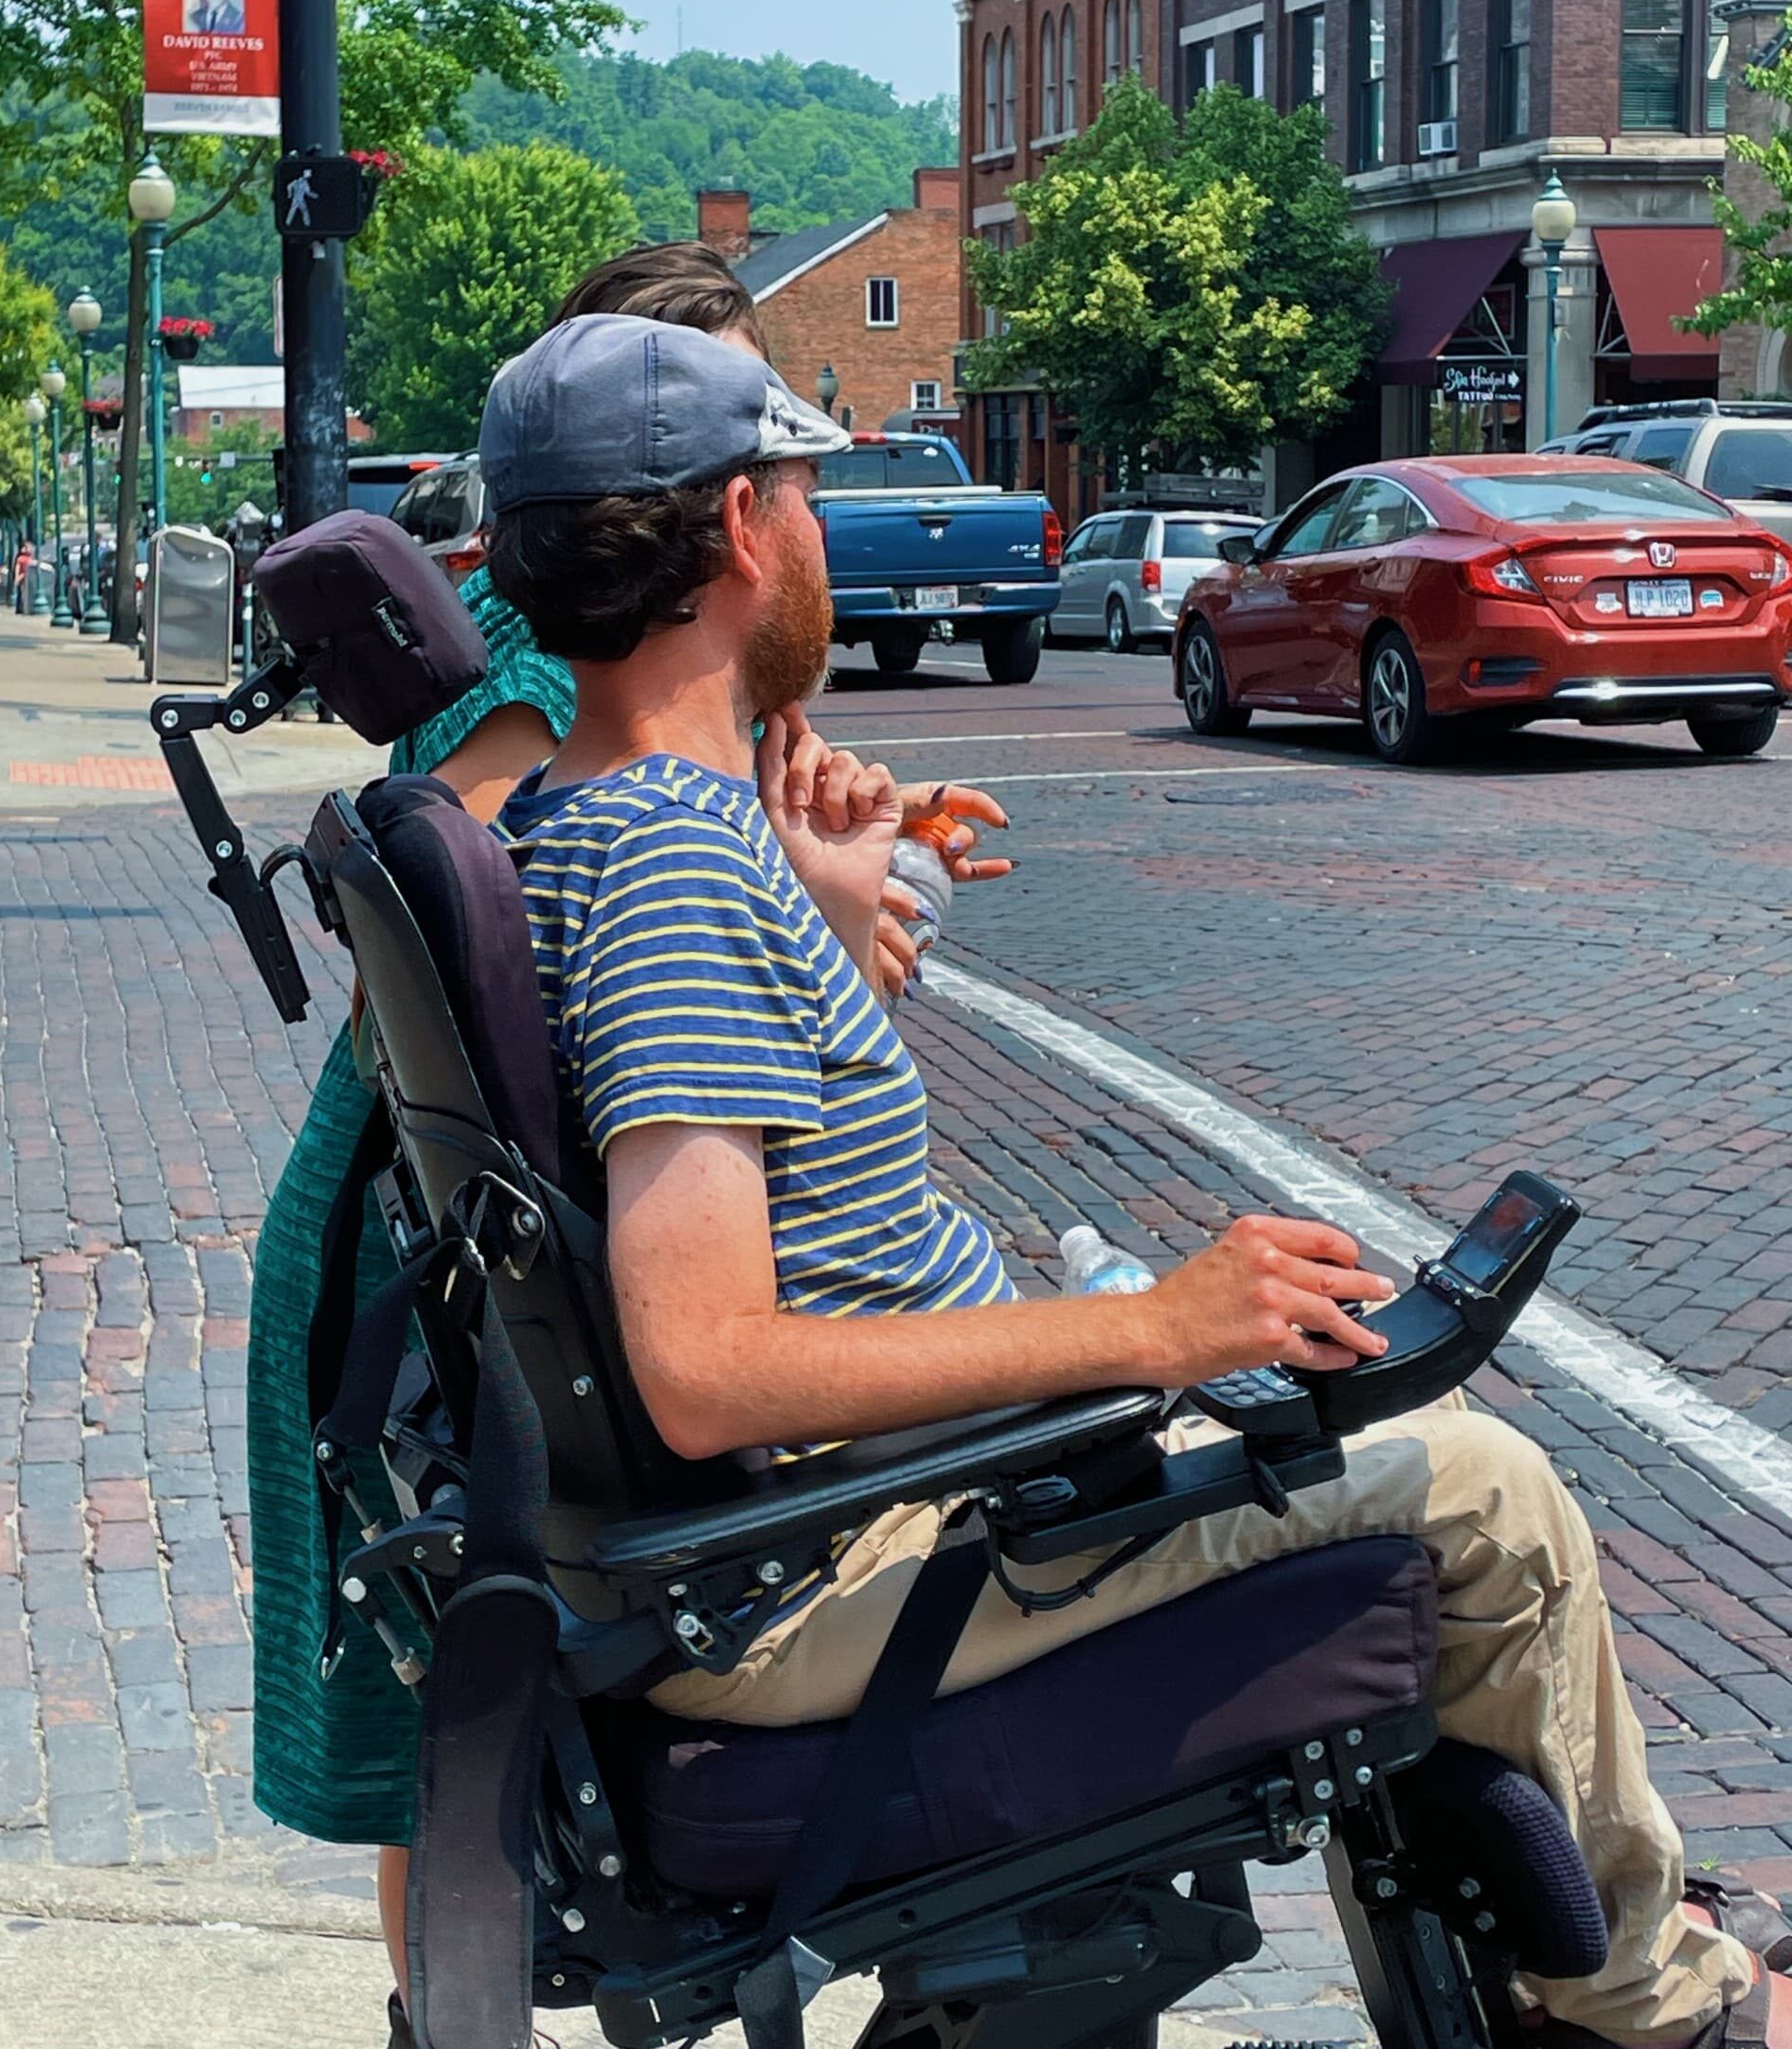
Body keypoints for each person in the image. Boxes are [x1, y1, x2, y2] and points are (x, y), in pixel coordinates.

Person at [485, 311, 1786, 2049]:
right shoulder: (664, 870)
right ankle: (1658, 2013)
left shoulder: (600, 821)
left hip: (873, 1506)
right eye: (801, 487)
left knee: (1359, 1423)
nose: (813, 526)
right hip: (837, 1557)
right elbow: (705, 1364)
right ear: (734, 529)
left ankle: (1573, 1979)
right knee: (1485, 1492)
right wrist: (1156, 1336)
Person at [245, 249, 1007, 2049]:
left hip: (498, 1247)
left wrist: (813, 858)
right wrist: (803, 909)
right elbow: (496, 950)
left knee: (485, 1764)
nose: (795, 498)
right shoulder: (540, 677)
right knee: (460, 1761)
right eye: (778, 461)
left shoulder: (659, 705)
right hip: (413, 1262)